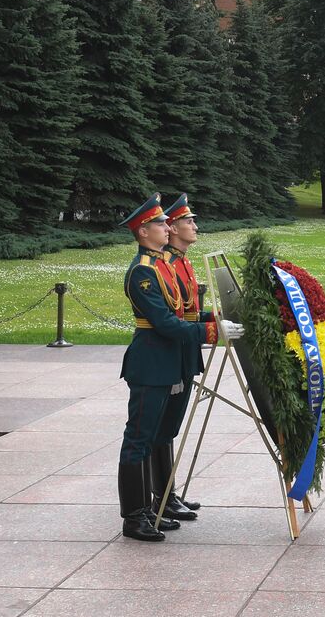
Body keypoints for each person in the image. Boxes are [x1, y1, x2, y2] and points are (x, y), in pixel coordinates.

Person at [116, 194, 241, 542]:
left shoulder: (163, 266)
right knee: (138, 440)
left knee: (161, 433)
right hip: (151, 363)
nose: (167, 227)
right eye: (159, 224)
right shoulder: (142, 272)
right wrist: (213, 331)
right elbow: (165, 324)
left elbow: (183, 314)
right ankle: (134, 516)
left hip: (171, 361)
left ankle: (157, 504)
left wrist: (214, 320)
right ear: (143, 232)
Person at [156, 193, 220, 522]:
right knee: (162, 428)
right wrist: (213, 330)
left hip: (185, 351)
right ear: (172, 226)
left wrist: (216, 317)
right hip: (172, 352)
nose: (195, 226)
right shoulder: (165, 264)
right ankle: (161, 498)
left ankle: (168, 493)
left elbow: (190, 312)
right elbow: (175, 318)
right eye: (189, 221)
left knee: (169, 428)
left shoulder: (182, 261)